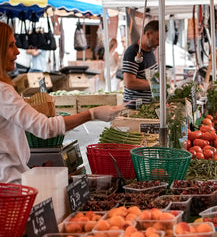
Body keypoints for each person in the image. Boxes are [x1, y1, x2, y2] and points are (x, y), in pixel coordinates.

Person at [0, 22, 126, 185]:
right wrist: (91, 114)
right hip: (9, 184)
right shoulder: (3, 92)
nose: (17, 51)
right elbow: (45, 127)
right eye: (10, 45)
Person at [122, 20, 159, 109]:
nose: (158, 43)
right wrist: (155, 84)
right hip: (135, 108)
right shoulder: (132, 53)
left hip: (148, 106)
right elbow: (129, 83)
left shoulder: (150, 52)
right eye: (157, 38)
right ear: (148, 34)